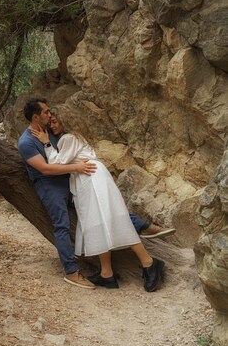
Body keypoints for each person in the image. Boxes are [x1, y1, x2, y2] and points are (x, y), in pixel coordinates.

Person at [31, 104, 165, 292]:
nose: (52, 126)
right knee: (98, 224)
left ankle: (149, 262)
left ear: (64, 120)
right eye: (50, 122)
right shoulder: (73, 137)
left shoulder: (68, 138)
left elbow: (55, 163)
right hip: (89, 178)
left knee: (112, 221)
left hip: (91, 179)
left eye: (54, 122)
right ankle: (107, 274)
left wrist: (46, 143)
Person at [18, 97, 98, 289]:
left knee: (99, 203)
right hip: (49, 186)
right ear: (36, 117)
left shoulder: (52, 132)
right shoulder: (26, 142)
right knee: (61, 225)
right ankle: (71, 272)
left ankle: (142, 225)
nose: (49, 113)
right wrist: (76, 167)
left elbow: (64, 153)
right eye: (46, 112)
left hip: (69, 180)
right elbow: (45, 169)